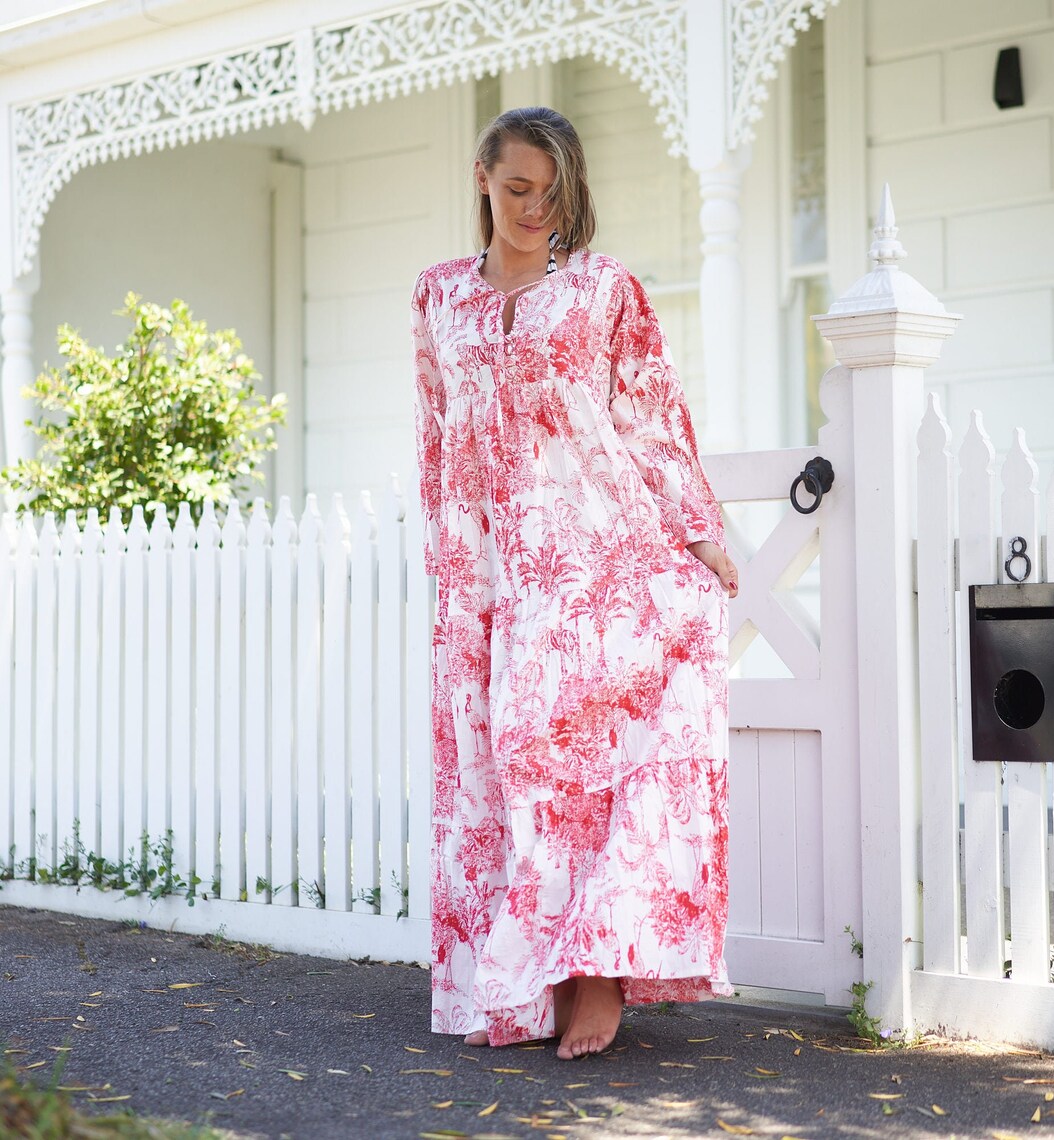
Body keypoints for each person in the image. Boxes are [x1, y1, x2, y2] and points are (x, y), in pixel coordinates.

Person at [412, 106, 738, 1061]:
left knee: (587, 763)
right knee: (510, 768)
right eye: (518, 189)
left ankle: (598, 979)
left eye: (552, 195)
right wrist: (447, 565)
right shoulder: (437, 297)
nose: (534, 211)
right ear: (482, 177)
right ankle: (525, 975)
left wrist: (702, 537)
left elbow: (649, 422)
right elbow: (437, 439)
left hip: (602, 557)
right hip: (493, 572)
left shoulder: (602, 291)